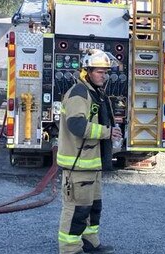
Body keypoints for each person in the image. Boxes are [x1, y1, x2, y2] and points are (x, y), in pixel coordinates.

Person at [57, 49, 121, 254]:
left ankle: (90, 241)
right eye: (99, 71)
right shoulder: (79, 93)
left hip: (92, 164)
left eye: (106, 72)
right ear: (87, 72)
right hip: (78, 164)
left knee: (93, 207)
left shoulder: (95, 93)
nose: (104, 75)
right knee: (76, 209)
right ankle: (70, 249)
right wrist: (107, 133)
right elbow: (76, 125)